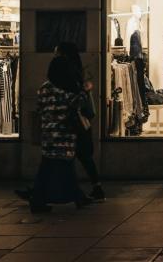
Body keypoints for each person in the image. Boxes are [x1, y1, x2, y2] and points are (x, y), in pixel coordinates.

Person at [29, 55, 90, 213]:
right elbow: (77, 103)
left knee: (48, 167)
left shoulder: (44, 88)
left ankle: (42, 200)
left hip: (48, 134)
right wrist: (85, 90)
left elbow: (40, 108)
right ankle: (75, 197)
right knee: (65, 166)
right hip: (64, 135)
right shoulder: (64, 90)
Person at [55, 42, 104, 201]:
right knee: (81, 157)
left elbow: (75, 99)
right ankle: (93, 188)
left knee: (69, 158)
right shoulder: (77, 72)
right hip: (80, 123)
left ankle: (76, 191)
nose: (54, 55)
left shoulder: (68, 74)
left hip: (75, 123)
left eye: (57, 52)